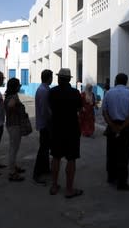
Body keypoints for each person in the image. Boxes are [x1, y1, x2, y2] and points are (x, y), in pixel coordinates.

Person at [48, 68, 83, 198]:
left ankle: (54, 185)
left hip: (56, 128)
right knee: (71, 158)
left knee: (56, 157)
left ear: (59, 78)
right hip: (72, 129)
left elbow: (50, 107)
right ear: (69, 79)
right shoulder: (75, 93)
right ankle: (69, 189)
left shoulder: (52, 92)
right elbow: (79, 108)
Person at [102, 73, 129, 191]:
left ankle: (111, 177)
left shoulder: (109, 93)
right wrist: (122, 127)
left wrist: (113, 125)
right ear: (126, 81)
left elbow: (104, 111)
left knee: (111, 152)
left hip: (112, 126)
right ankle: (122, 182)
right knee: (124, 154)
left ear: (116, 80)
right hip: (126, 127)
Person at [33, 69, 53, 185]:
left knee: (45, 148)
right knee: (43, 149)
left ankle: (45, 169)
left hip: (44, 123)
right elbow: (45, 110)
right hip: (45, 124)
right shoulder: (44, 91)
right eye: (51, 77)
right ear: (48, 78)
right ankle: (37, 173)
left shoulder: (44, 89)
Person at [4, 77, 27, 182]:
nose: (20, 86)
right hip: (14, 125)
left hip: (12, 124)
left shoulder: (11, 95)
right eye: (19, 85)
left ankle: (13, 167)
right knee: (13, 148)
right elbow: (10, 106)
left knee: (14, 147)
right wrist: (17, 110)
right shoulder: (13, 97)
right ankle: (12, 172)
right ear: (15, 87)